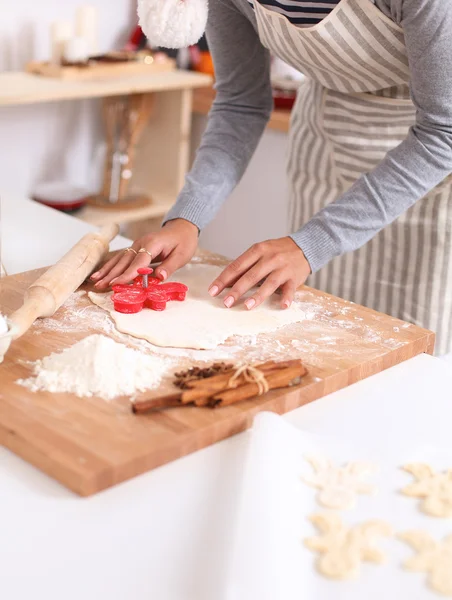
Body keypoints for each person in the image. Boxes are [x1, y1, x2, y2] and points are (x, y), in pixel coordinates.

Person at [91, 0, 452, 354]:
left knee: (408, 352)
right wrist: (187, 218)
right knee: (321, 342)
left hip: (426, 169)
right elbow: (241, 103)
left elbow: (443, 130)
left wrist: (313, 243)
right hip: (326, 142)